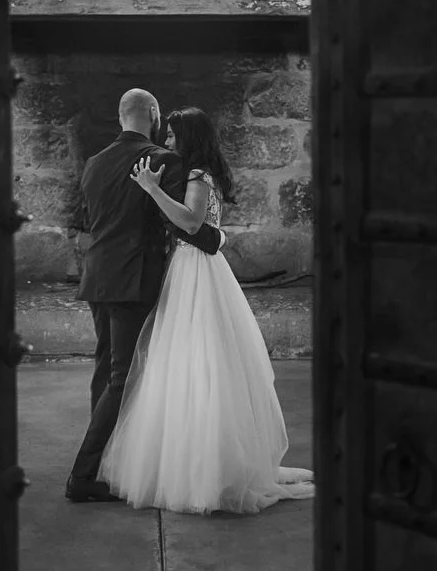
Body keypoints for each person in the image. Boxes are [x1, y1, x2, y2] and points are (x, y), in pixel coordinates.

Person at [99, 106, 315, 515]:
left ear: (189, 138)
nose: (166, 143)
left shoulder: (198, 175)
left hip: (195, 270)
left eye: (173, 137)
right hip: (192, 266)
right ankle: (194, 459)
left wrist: (152, 189)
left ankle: (206, 469)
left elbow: (193, 223)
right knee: (187, 360)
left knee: (198, 358)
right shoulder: (201, 173)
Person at [64, 88, 225, 503]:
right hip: (134, 281)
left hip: (98, 276)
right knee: (123, 378)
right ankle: (83, 475)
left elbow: (93, 219)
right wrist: (215, 238)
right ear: (152, 114)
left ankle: (107, 462)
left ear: (121, 117)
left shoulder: (94, 163)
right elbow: (180, 223)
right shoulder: (162, 160)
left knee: (105, 371)